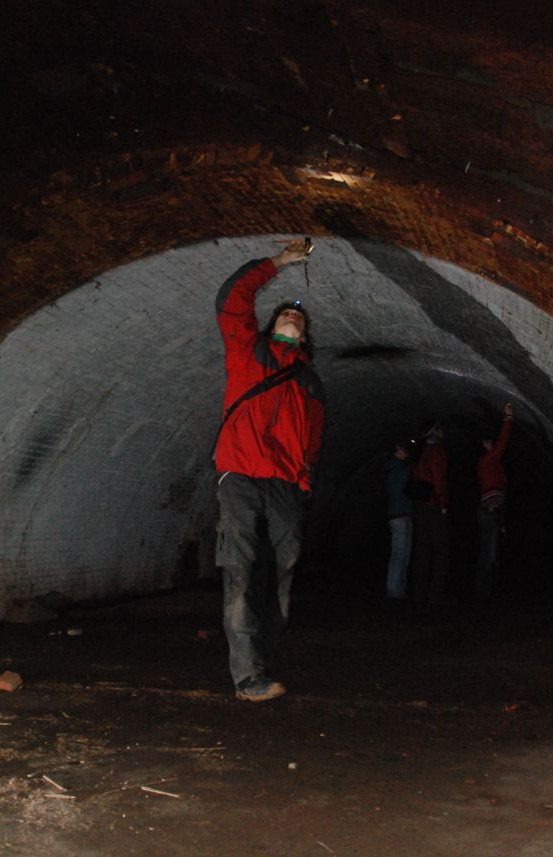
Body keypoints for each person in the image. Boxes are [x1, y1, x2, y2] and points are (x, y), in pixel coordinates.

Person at [213, 237, 324, 702]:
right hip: (239, 475)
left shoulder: (309, 382)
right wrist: (279, 262)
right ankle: (247, 676)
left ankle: (266, 657)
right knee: (240, 568)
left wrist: (301, 482)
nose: (292, 315)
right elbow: (232, 298)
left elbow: (312, 442)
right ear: (271, 324)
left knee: (283, 567)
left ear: (306, 335)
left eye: (298, 316)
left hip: (283, 485)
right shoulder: (247, 353)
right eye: (284, 312)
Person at [474, 403, 514, 600]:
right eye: (490, 443)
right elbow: (503, 443)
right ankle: (483, 593)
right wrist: (507, 419)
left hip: (494, 510)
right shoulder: (488, 461)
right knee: (489, 553)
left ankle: (487, 591)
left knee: (492, 551)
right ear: (485, 445)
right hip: (490, 511)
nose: (493, 446)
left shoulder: (491, 464)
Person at [410, 421, 450, 605]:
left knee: (422, 550)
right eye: (439, 428)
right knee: (440, 549)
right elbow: (439, 480)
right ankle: (436, 594)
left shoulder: (419, 453)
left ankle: (418, 593)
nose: (442, 431)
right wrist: (443, 504)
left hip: (420, 505)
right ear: (434, 433)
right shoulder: (436, 452)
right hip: (433, 503)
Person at [384, 441, 413, 603]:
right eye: (403, 448)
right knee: (399, 555)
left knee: (403, 555)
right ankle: (394, 592)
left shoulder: (393, 468)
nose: (406, 450)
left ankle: (398, 590)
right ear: (396, 450)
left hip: (401, 513)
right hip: (399, 514)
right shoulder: (398, 469)